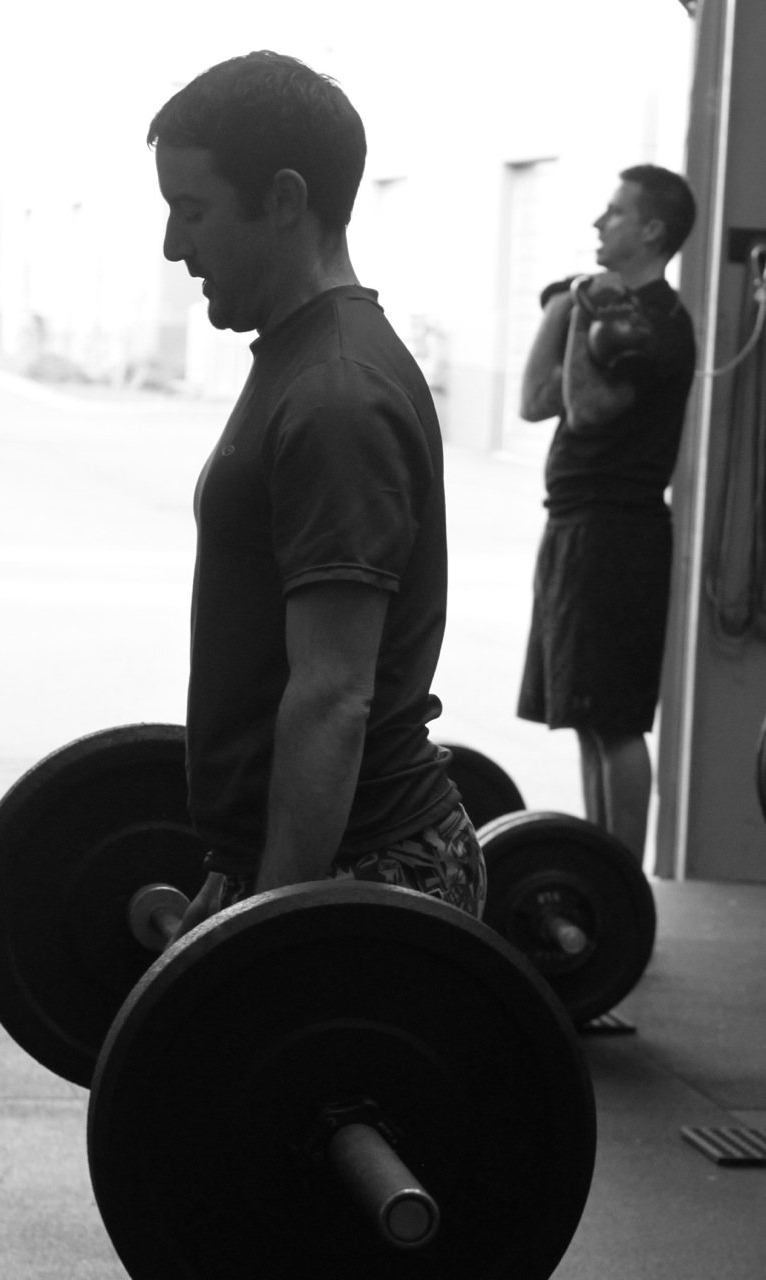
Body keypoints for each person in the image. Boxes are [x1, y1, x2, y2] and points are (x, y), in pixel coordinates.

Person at [145, 51, 485, 940]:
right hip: (309, 855)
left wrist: (268, 927)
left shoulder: (336, 394)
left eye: (192, 211)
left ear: (284, 199)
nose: (173, 247)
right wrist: (241, 865)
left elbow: (333, 695)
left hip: (365, 865)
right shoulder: (303, 359)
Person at [517, 164, 697, 864]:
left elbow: (587, 410)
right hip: (575, 526)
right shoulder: (604, 310)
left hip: (617, 536)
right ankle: (605, 873)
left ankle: (624, 888)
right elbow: (534, 401)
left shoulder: (655, 325)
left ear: (651, 230)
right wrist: (568, 306)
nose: (599, 222)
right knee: (588, 718)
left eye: (615, 212)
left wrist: (583, 307)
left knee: (616, 720)